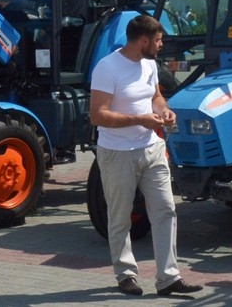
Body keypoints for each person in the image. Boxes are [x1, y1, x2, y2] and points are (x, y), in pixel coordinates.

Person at [90, 15, 202, 297]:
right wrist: (139, 119)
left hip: (152, 149)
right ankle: (126, 274)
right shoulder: (107, 67)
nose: (162, 44)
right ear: (143, 40)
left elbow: (156, 98)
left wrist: (163, 110)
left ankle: (168, 278)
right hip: (117, 154)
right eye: (158, 39)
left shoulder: (150, 65)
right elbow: (98, 116)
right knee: (120, 217)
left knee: (165, 210)